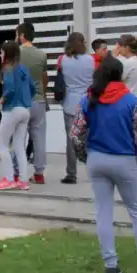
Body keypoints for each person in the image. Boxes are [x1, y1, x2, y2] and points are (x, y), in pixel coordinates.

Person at [70, 55, 137, 273]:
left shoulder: (88, 99)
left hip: (97, 160)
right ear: (120, 75)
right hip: (125, 160)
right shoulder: (131, 101)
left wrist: (84, 157)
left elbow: (76, 134)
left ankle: (111, 265)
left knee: (103, 212)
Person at [0, 41, 35, 191]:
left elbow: (10, 88)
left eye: (1, 52)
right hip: (25, 109)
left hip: (11, 109)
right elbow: (32, 88)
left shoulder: (8, 69)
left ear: (7, 54)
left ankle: (9, 179)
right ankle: (23, 181)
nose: (0, 55)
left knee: (2, 145)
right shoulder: (24, 68)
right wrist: (26, 101)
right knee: (19, 146)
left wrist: (2, 98)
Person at [59, 32, 95, 185]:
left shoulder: (63, 59)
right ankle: (94, 171)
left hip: (70, 104)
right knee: (90, 139)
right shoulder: (90, 60)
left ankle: (71, 174)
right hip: (88, 103)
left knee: (71, 140)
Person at [16, 22, 48, 184]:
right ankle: (39, 174)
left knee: (18, 137)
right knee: (39, 138)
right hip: (38, 101)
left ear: (21, 35)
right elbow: (44, 79)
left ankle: (16, 172)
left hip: (20, 101)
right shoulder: (42, 54)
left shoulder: (15, 54)